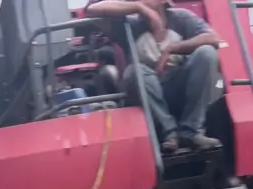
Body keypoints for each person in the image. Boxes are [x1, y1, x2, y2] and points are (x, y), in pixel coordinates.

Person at [84, 0, 221, 152]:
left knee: (206, 53)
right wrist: (139, 7)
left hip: (179, 87)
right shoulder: (129, 25)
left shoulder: (181, 17)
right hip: (148, 95)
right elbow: (92, 10)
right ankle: (170, 133)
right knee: (134, 70)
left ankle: (191, 131)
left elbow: (213, 38)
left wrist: (173, 48)